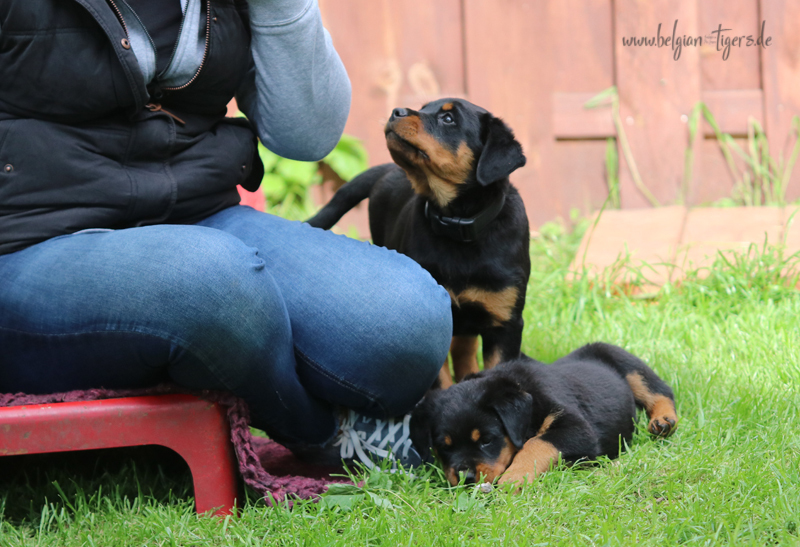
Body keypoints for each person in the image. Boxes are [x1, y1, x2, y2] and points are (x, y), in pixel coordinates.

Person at [0, 0, 452, 468]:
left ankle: (224, 356)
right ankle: (323, 433)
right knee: (210, 282)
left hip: (197, 212)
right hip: (30, 238)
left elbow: (308, 137)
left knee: (406, 320)